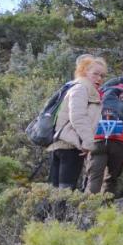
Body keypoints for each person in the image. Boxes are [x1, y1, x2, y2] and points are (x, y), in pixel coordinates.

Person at [46, 55, 106, 190]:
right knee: (65, 191)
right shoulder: (81, 89)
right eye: (95, 74)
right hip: (69, 146)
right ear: (84, 72)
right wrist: (88, 143)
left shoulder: (80, 88)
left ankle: (51, 212)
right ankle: (58, 212)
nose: (99, 78)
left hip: (64, 143)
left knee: (55, 191)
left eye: (102, 75)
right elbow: (78, 117)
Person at [85, 81, 123, 195]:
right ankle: (107, 209)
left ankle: (89, 209)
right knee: (111, 179)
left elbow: (87, 118)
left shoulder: (100, 96)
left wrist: (84, 141)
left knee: (94, 178)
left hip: (99, 138)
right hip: (120, 142)